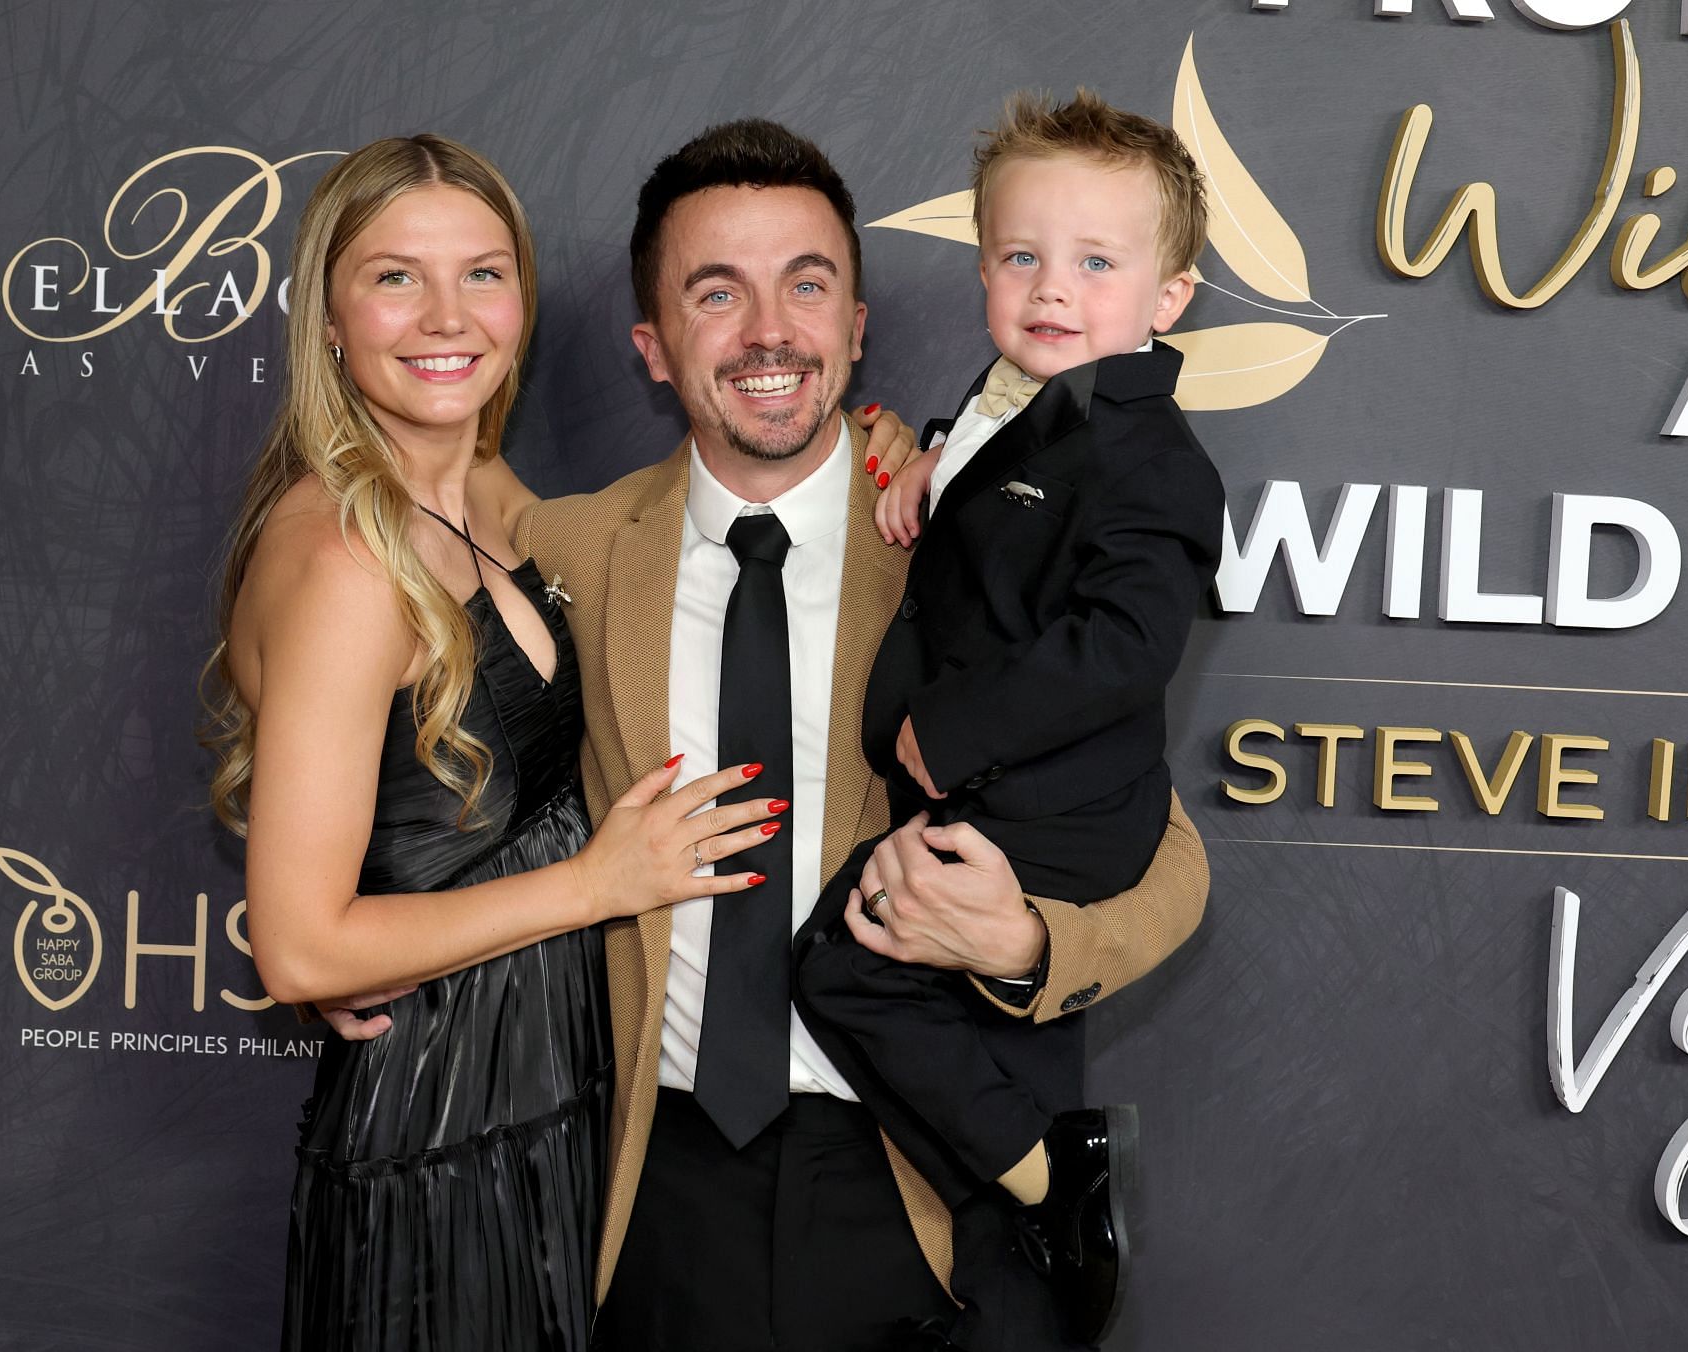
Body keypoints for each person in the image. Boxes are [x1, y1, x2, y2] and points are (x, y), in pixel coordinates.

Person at [443, 118, 1211, 1352]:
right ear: (652, 345)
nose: (768, 331)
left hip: (923, 1175)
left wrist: (1023, 940)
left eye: (807, 284)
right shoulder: (577, 551)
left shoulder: (962, 534)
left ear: (857, 326)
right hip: (653, 1182)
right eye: (716, 291)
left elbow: (1167, 849)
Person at [200, 134, 794, 1352]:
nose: (446, 316)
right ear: (326, 315)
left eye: (482, 273)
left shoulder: (474, 484)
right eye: (394, 277)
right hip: (437, 1144)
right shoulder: (344, 565)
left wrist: (882, 453)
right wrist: (595, 885)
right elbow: (303, 943)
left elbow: (642, 519)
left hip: (541, 1099)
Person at [792, 89, 1225, 1348]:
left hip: (1049, 814)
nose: (1052, 287)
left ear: (1169, 297)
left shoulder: (1154, 458)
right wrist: (927, 451)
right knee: (855, 974)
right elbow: (999, 467)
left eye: (1097, 262)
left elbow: (1126, 643)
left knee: (844, 966)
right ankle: (1037, 1191)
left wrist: (951, 738)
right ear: (983, 264)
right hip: (1002, 793)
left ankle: (1056, 1180)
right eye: (1022, 255)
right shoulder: (1010, 403)